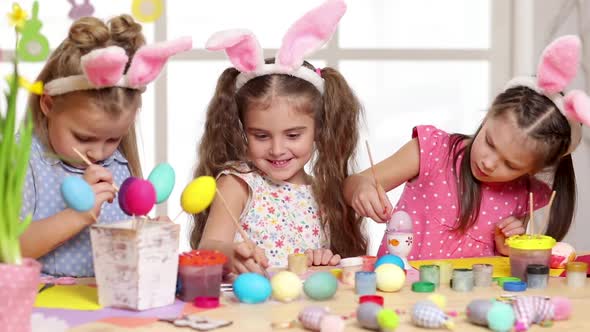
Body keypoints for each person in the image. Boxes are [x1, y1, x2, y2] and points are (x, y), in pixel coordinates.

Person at [344, 35, 587, 259]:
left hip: (469, 303)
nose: (489, 162)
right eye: (490, 142)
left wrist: (506, 248)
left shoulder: (522, 194)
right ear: (490, 112)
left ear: (532, 170)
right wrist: (361, 190)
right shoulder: (433, 151)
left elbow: (505, 270)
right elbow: (353, 183)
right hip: (400, 293)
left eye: (510, 164)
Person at [191, 0, 367, 274]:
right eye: (261, 135)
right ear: (242, 129)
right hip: (249, 312)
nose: (276, 149)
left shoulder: (321, 192)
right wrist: (230, 254)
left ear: (319, 129)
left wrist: (320, 261)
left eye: (293, 135)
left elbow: (302, 270)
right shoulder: (238, 183)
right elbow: (208, 246)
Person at [19, 15, 191, 276]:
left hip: (106, 298)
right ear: (49, 105)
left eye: (113, 139)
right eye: (83, 138)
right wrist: (78, 215)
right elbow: (10, 247)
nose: (98, 153)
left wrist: (146, 234)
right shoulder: (23, 160)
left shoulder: (118, 163)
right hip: (42, 302)